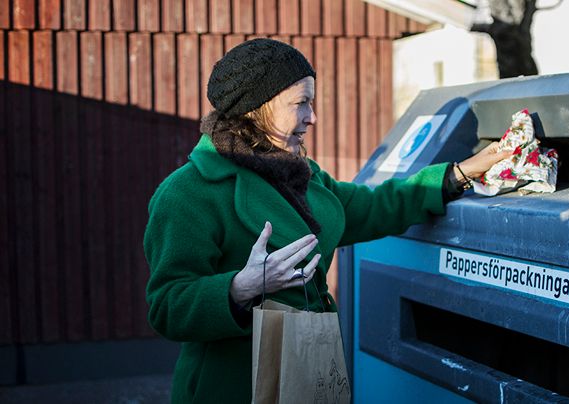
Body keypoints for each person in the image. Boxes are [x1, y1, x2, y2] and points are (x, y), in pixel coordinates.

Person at [144, 38, 511, 404]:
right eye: (301, 103)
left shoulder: (302, 175)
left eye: (312, 102)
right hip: (233, 388)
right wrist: (240, 288)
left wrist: (458, 174)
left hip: (309, 371)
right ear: (256, 108)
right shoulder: (188, 192)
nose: (312, 117)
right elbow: (166, 306)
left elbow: (371, 207)